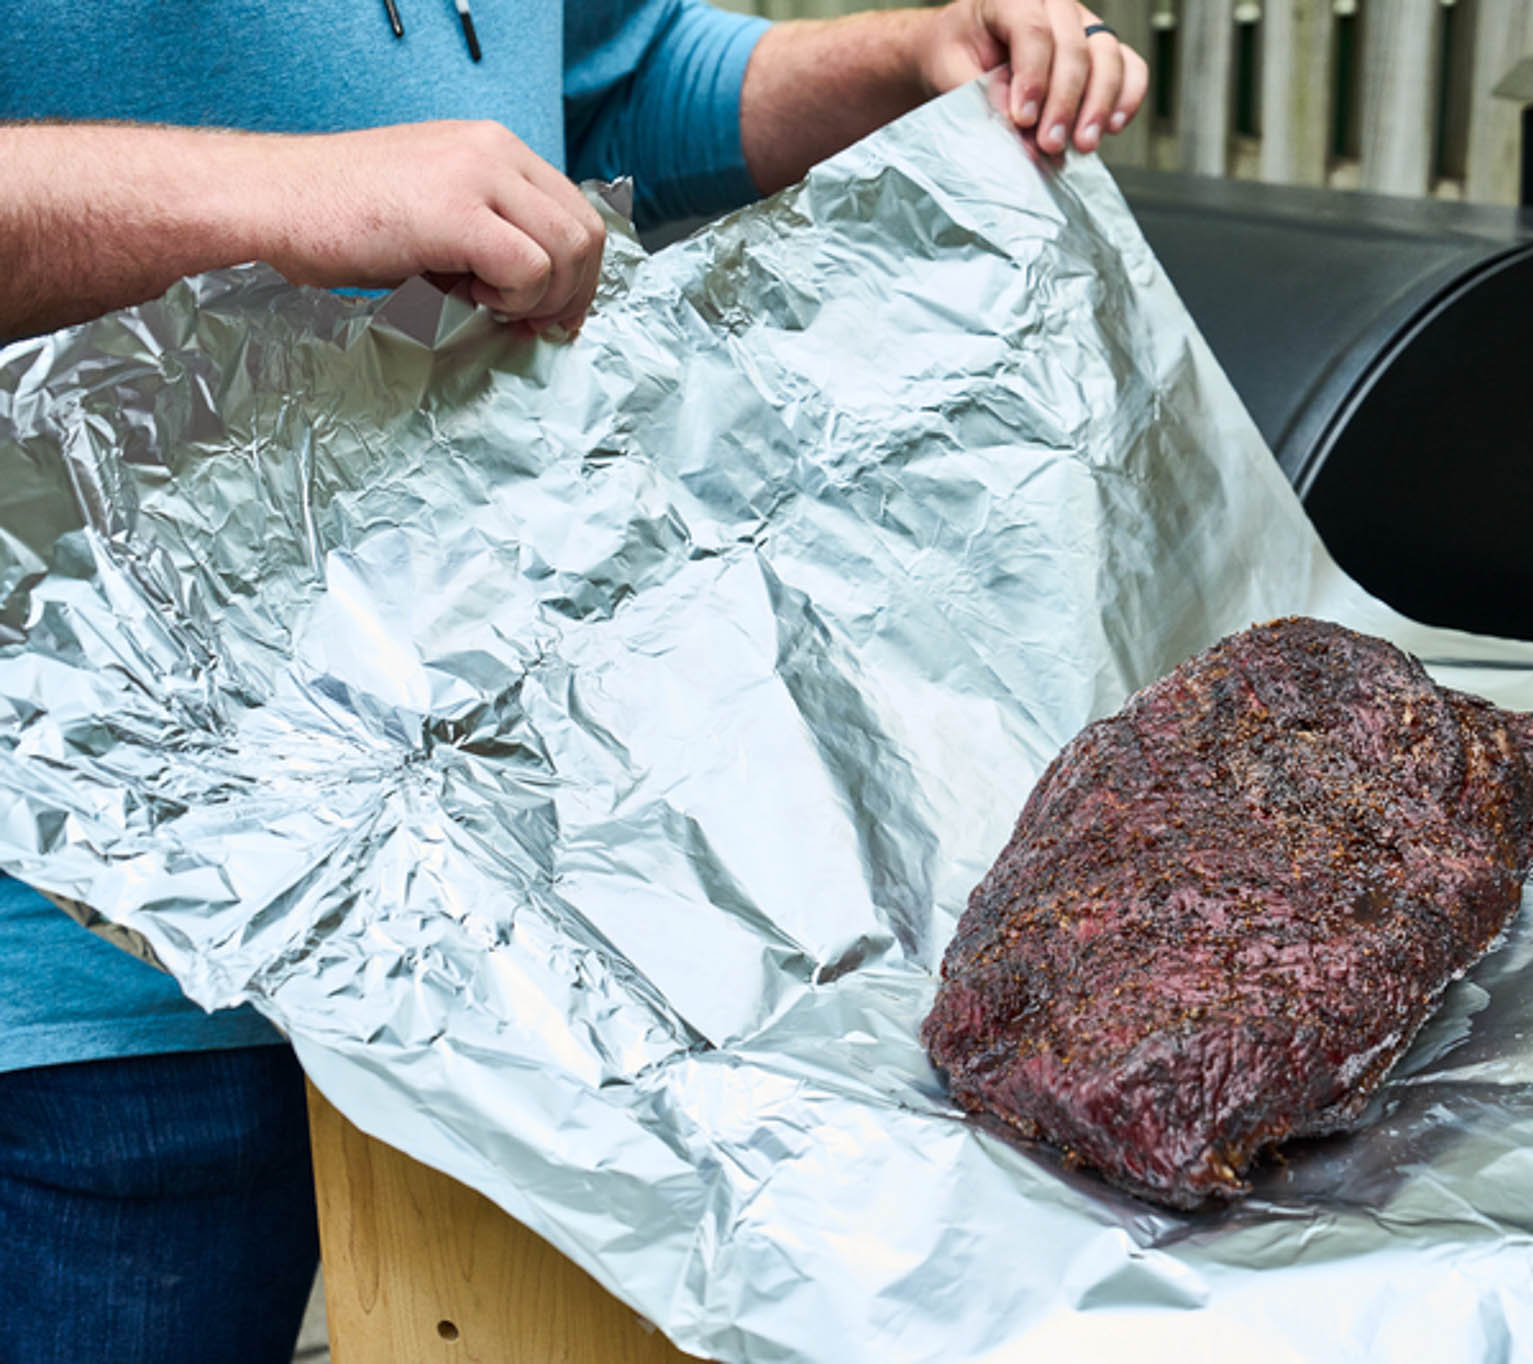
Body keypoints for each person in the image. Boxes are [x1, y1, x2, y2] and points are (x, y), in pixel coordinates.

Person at [0, 4, 1144, 1359]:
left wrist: (894, 62)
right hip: (100, 949)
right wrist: (286, 191)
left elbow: (608, 83)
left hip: (492, 922)